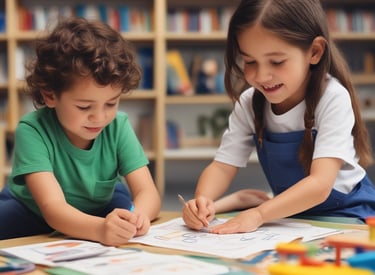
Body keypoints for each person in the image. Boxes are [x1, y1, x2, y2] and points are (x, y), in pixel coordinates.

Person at [182, 0, 375, 234]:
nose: (262, 75)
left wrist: (260, 213)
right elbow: (222, 166)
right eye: (250, 61)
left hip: (347, 216)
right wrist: (201, 201)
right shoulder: (250, 102)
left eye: (277, 61)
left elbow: (319, 185)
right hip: (288, 215)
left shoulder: (332, 98)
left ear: (314, 52)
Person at [0, 17, 161, 245]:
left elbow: (148, 192)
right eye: (84, 107)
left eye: (111, 103)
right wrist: (100, 230)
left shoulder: (118, 125)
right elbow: (53, 208)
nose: (100, 117)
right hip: (32, 210)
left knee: (124, 213)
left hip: (100, 205)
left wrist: (140, 217)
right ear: (50, 95)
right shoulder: (32, 130)